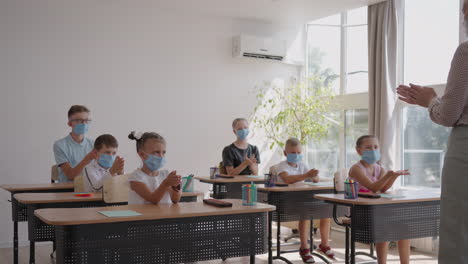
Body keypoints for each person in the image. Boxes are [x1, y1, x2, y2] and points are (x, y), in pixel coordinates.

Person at [349, 135, 411, 264]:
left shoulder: (379, 168)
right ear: (358, 151)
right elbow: (373, 188)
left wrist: (394, 176)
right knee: (383, 228)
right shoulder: (355, 169)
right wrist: (387, 175)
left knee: (404, 229)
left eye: (376, 147)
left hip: (378, 210)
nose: (373, 150)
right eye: (368, 147)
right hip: (360, 212)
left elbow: (383, 189)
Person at [273, 137, 335, 263]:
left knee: (326, 211)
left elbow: (315, 180)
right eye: (292, 153)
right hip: (287, 202)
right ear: (285, 153)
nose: (296, 155)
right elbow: (288, 179)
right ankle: (304, 248)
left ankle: (324, 245)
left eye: (298, 153)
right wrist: (307, 175)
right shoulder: (281, 166)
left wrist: (314, 175)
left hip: (302, 199)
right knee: (305, 213)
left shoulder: (302, 164)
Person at [127, 131, 181, 205]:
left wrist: (176, 186)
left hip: (163, 215)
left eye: (163, 152)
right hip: (142, 216)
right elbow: (153, 199)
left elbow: (175, 200)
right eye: (156, 152)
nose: (161, 156)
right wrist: (166, 183)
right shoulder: (136, 177)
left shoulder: (165, 174)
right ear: (142, 154)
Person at [53, 105, 95, 182]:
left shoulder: (94, 144)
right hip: (68, 190)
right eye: (79, 120)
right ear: (69, 123)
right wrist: (87, 159)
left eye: (86, 120)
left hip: (90, 188)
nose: (83, 123)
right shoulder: (60, 145)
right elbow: (70, 175)